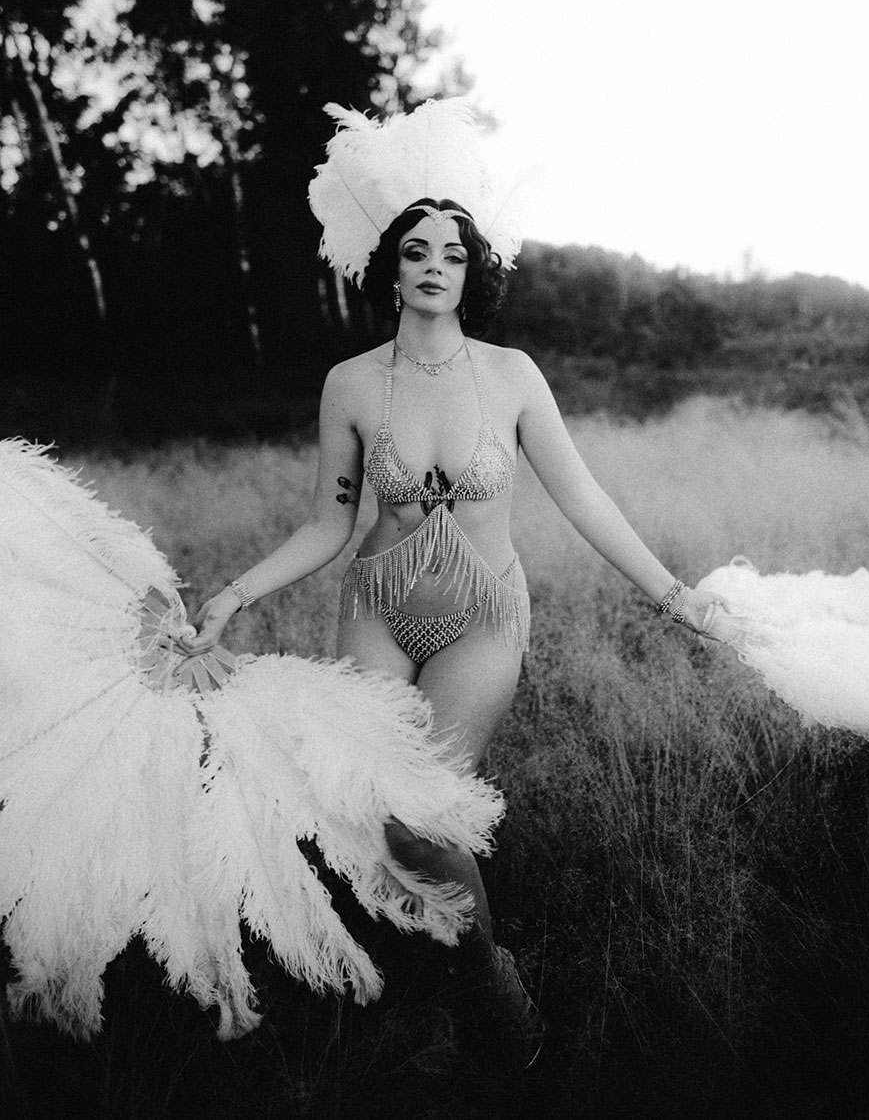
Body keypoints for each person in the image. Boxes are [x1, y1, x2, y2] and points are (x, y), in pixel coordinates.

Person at [179, 99, 736, 1056]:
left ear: (472, 271)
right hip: (378, 611)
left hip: (482, 617)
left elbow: (585, 497)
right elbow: (330, 519)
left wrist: (673, 594)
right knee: (370, 819)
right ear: (389, 268)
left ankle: (490, 988)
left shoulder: (513, 374)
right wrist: (233, 593)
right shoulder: (351, 383)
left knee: (423, 812)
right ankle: (416, 975)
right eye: (417, 250)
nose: (436, 264)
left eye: (452, 252)